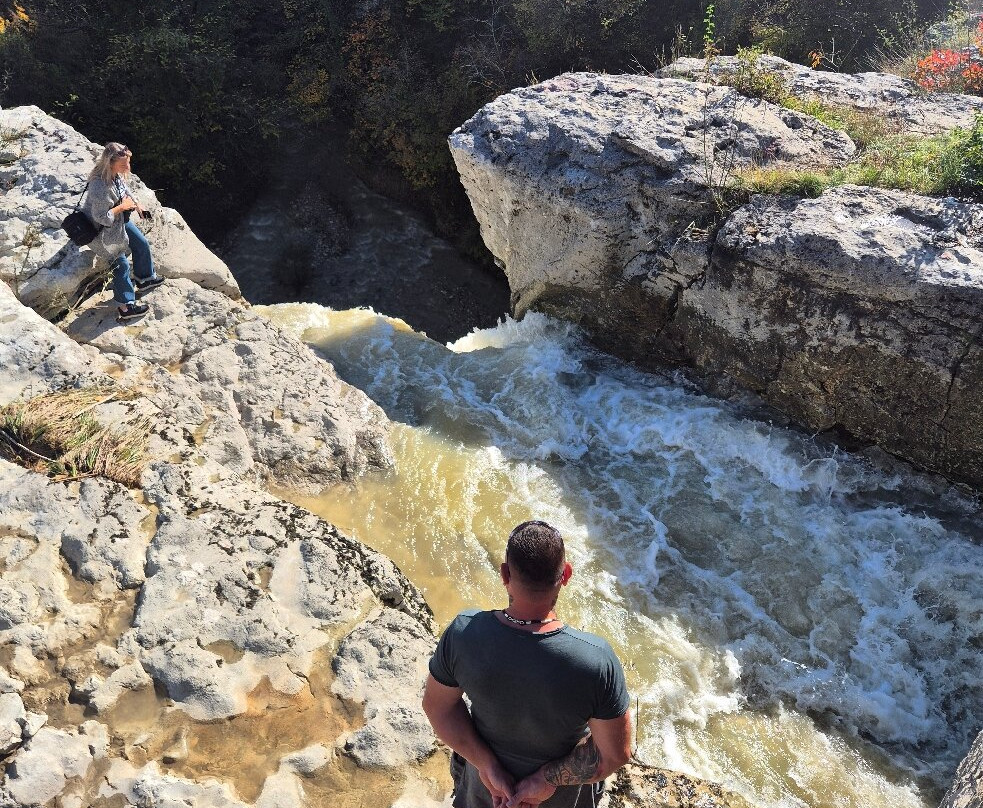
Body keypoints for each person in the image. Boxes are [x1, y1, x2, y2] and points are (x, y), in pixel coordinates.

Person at [423, 521, 632, 808]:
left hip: (483, 794)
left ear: (505, 574)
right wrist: (547, 779)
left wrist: (487, 766)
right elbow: (614, 755)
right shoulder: (595, 660)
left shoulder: (464, 633)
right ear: (566, 575)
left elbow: (438, 708)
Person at [83, 142, 164, 321]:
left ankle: (145, 279)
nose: (127, 167)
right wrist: (123, 207)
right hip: (102, 232)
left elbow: (124, 189)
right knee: (121, 265)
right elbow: (102, 218)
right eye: (123, 164)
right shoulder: (99, 185)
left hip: (119, 223)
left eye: (128, 162)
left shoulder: (114, 175)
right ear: (110, 162)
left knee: (141, 244)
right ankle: (126, 307)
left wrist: (137, 205)